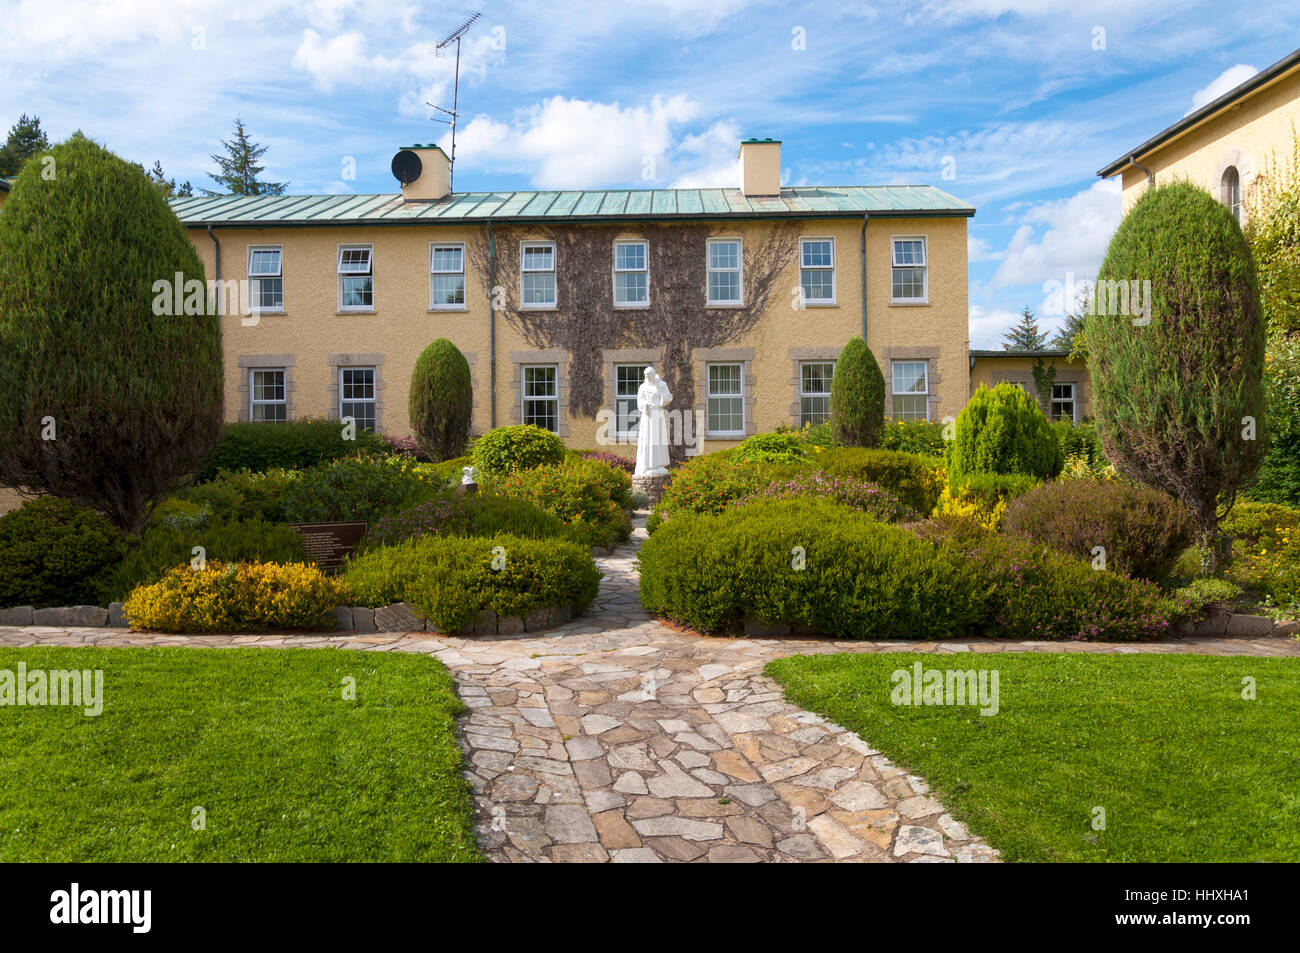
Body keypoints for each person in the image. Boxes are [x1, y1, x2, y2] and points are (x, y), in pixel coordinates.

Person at [634, 367, 672, 476]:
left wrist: (660, 400)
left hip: (658, 415)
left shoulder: (661, 385)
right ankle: (647, 465)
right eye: (646, 377)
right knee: (647, 439)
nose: (648, 379)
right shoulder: (643, 387)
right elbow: (639, 400)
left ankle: (659, 465)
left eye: (650, 376)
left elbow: (668, 397)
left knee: (658, 440)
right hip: (647, 416)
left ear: (653, 375)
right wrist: (645, 404)